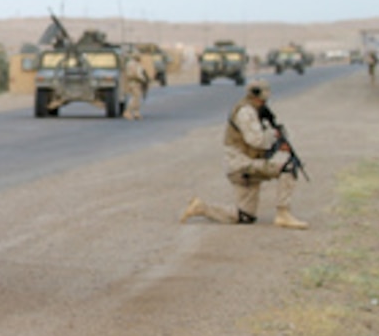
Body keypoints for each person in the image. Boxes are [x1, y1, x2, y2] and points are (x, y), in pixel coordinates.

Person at [180, 78, 309, 229]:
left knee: (245, 216)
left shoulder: (253, 110)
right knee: (288, 167)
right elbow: (256, 140)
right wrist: (275, 138)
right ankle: (283, 214)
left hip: (242, 166)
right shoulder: (246, 112)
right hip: (242, 166)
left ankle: (202, 208)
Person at [123, 50, 149, 120]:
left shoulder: (135, 63)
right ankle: (127, 112)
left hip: (136, 83)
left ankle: (136, 113)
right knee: (135, 98)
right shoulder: (132, 64)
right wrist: (142, 80)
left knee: (137, 98)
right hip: (134, 82)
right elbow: (134, 74)